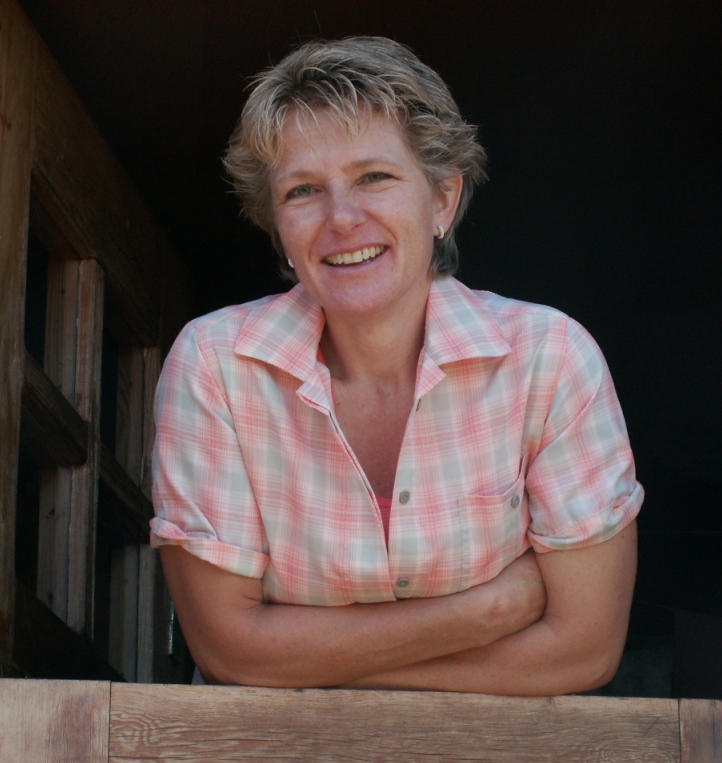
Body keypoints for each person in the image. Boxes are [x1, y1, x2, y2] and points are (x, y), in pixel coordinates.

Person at [150, 36, 643, 696]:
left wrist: (303, 661)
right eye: (303, 191)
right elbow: (228, 650)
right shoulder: (215, 366)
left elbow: (583, 651)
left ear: (442, 200)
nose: (342, 218)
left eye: (374, 178)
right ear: (277, 226)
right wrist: (488, 611)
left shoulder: (549, 359)